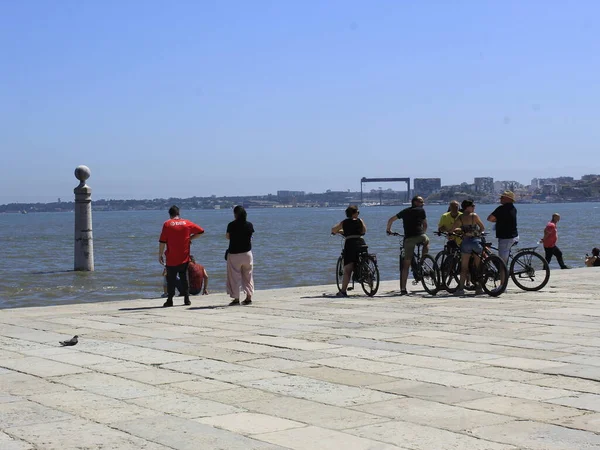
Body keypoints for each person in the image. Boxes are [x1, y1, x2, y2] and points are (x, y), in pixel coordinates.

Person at [158, 205, 204, 307]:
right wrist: (190, 238)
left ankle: (170, 300)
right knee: (184, 278)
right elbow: (201, 231)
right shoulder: (187, 223)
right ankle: (186, 299)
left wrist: (160, 254)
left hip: (171, 257)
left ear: (170, 214)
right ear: (179, 213)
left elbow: (162, 241)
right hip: (184, 257)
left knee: (171, 279)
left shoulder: (167, 224)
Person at [386, 195, 429, 296]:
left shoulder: (405, 211)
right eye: (421, 202)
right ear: (415, 202)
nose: (423, 204)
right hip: (420, 236)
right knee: (426, 242)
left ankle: (403, 289)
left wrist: (388, 230)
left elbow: (391, 220)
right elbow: (425, 225)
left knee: (406, 265)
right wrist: (423, 233)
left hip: (409, 239)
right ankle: (423, 259)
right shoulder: (421, 211)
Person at [331, 205, 367, 297]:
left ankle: (343, 291)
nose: (358, 214)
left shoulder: (344, 222)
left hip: (350, 244)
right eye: (358, 212)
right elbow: (363, 231)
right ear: (354, 213)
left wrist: (337, 232)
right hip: (361, 242)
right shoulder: (360, 221)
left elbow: (334, 229)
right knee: (363, 260)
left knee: (347, 269)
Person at [451, 199, 485, 296]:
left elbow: (452, 229)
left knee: (464, 267)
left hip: (465, 242)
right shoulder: (474, 216)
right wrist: (478, 233)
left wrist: (451, 234)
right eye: (473, 206)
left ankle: (461, 289)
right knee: (478, 266)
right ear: (468, 207)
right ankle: (479, 288)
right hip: (475, 242)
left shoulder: (460, 217)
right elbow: (482, 227)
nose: (474, 207)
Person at [226, 205, 255, 305]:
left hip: (234, 253)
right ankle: (249, 297)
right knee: (248, 275)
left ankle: (236, 298)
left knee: (234, 277)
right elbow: (251, 237)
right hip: (247, 253)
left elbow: (227, 237)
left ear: (235, 214)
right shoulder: (249, 225)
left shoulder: (231, 225)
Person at [487, 190, 518, 264]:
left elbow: (489, 218)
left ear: (508, 199)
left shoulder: (501, 208)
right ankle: (505, 273)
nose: (500, 198)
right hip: (514, 236)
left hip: (506, 238)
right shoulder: (513, 208)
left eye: (502, 197)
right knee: (504, 259)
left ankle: (503, 275)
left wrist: (498, 220)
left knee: (502, 263)